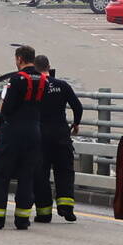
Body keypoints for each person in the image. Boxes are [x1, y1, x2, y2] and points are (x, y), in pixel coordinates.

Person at [0, 45, 46, 230]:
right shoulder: (43, 80)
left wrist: (2, 107)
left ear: (19, 59)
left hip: (14, 132)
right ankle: (22, 219)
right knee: (26, 176)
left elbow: (6, 109)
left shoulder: (16, 80)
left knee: (0, 173)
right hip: (34, 132)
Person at [32, 54, 82, 223]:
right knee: (65, 171)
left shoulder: (33, 85)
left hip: (40, 135)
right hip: (61, 134)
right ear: (49, 66)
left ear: (34, 67)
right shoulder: (62, 85)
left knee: (41, 174)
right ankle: (66, 208)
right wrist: (76, 124)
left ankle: (44, 213)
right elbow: (78, 106)